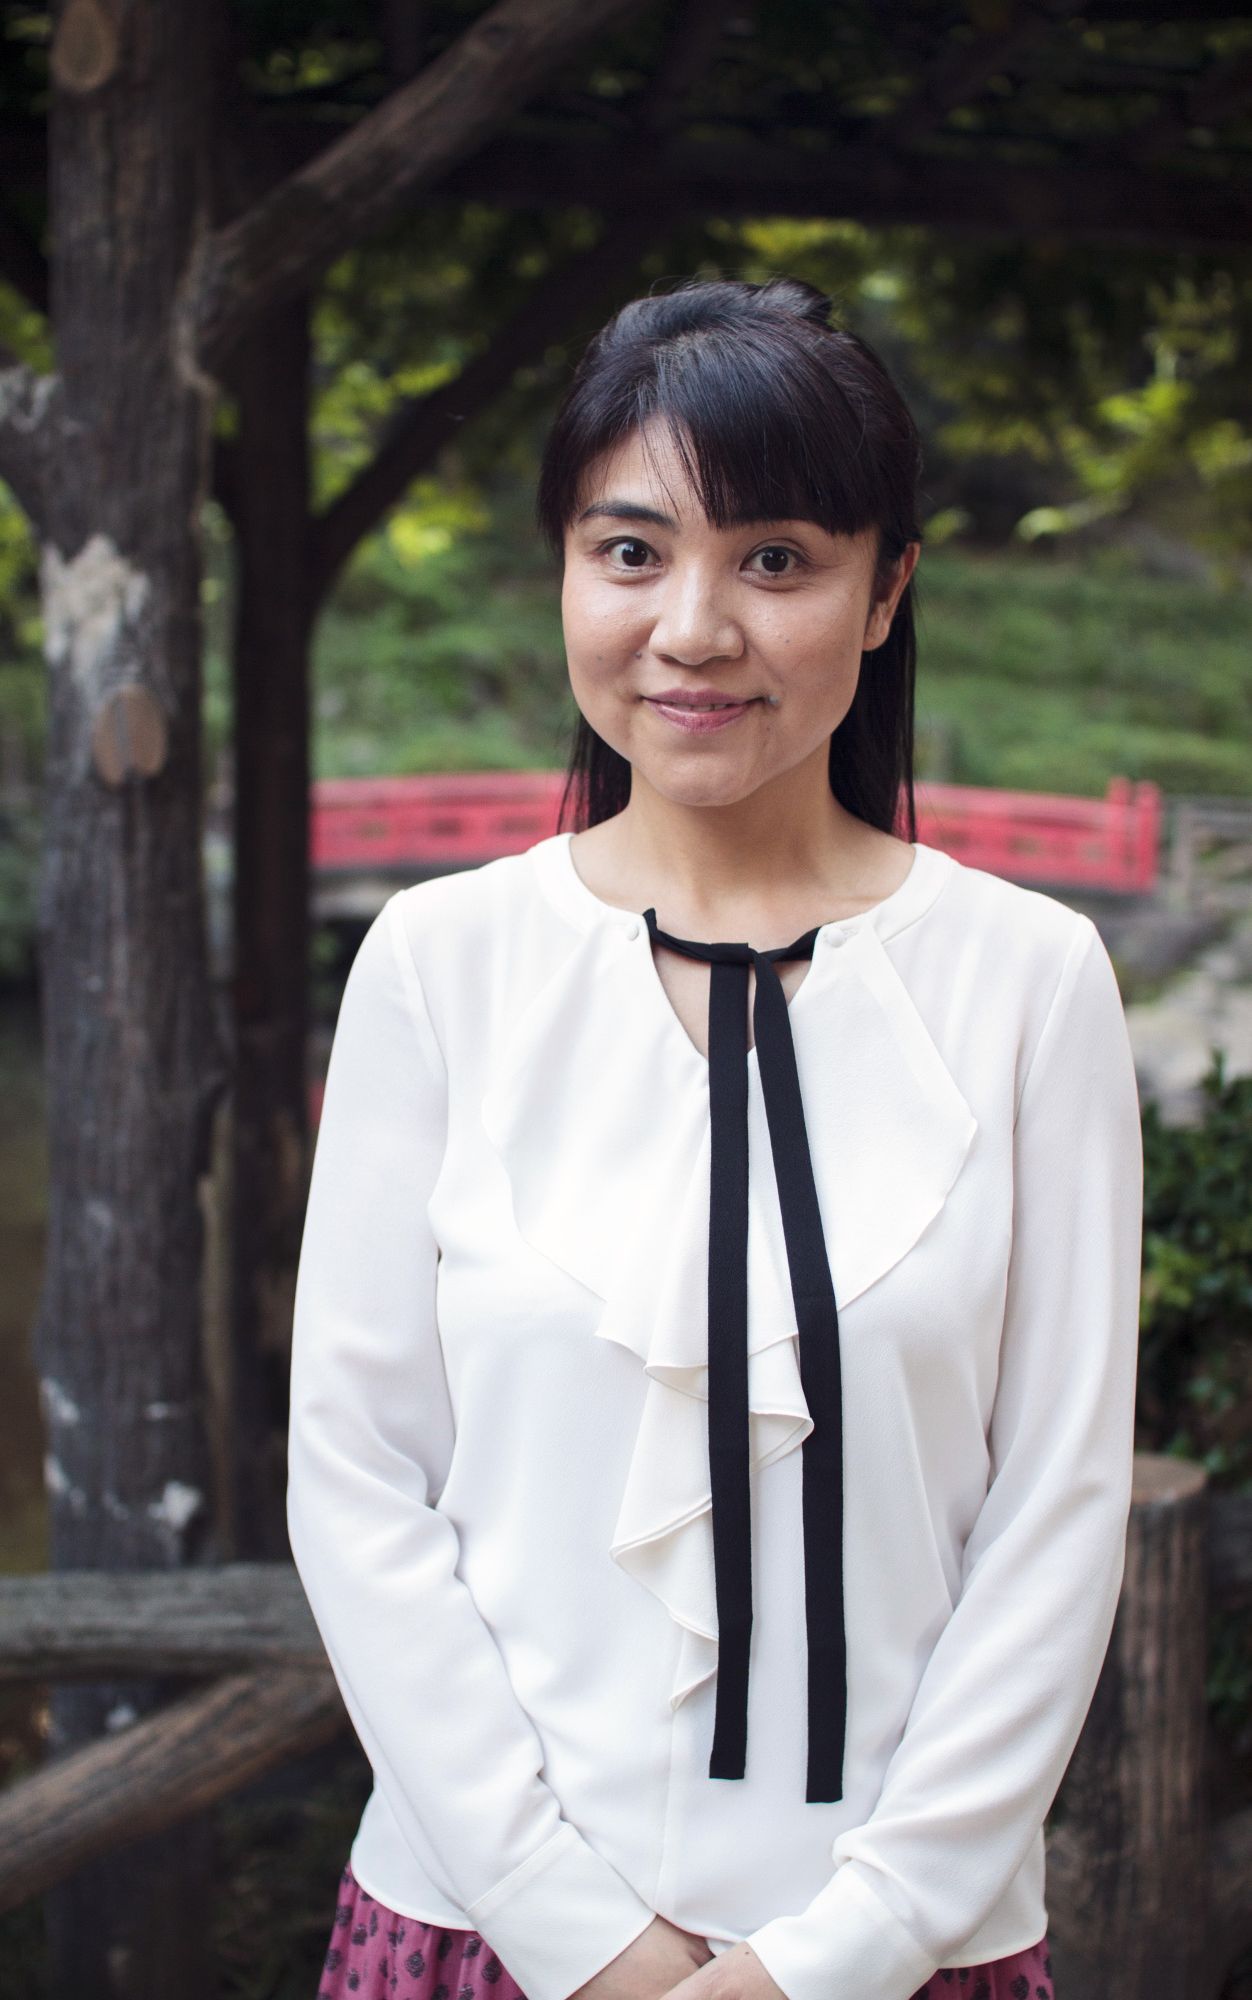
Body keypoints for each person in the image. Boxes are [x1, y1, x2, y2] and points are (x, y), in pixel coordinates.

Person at [288, 279, 1141, 2000]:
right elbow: (357, 1477)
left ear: (886, 585)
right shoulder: (440, 965)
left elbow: (1057, 1506)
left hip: (908, 1957)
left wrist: (840, 1954)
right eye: (628, 552)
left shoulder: (1028, 980)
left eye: (773, 558)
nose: (690, 628)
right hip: (483, 1931)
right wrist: (577, 1936)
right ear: (562, 574)